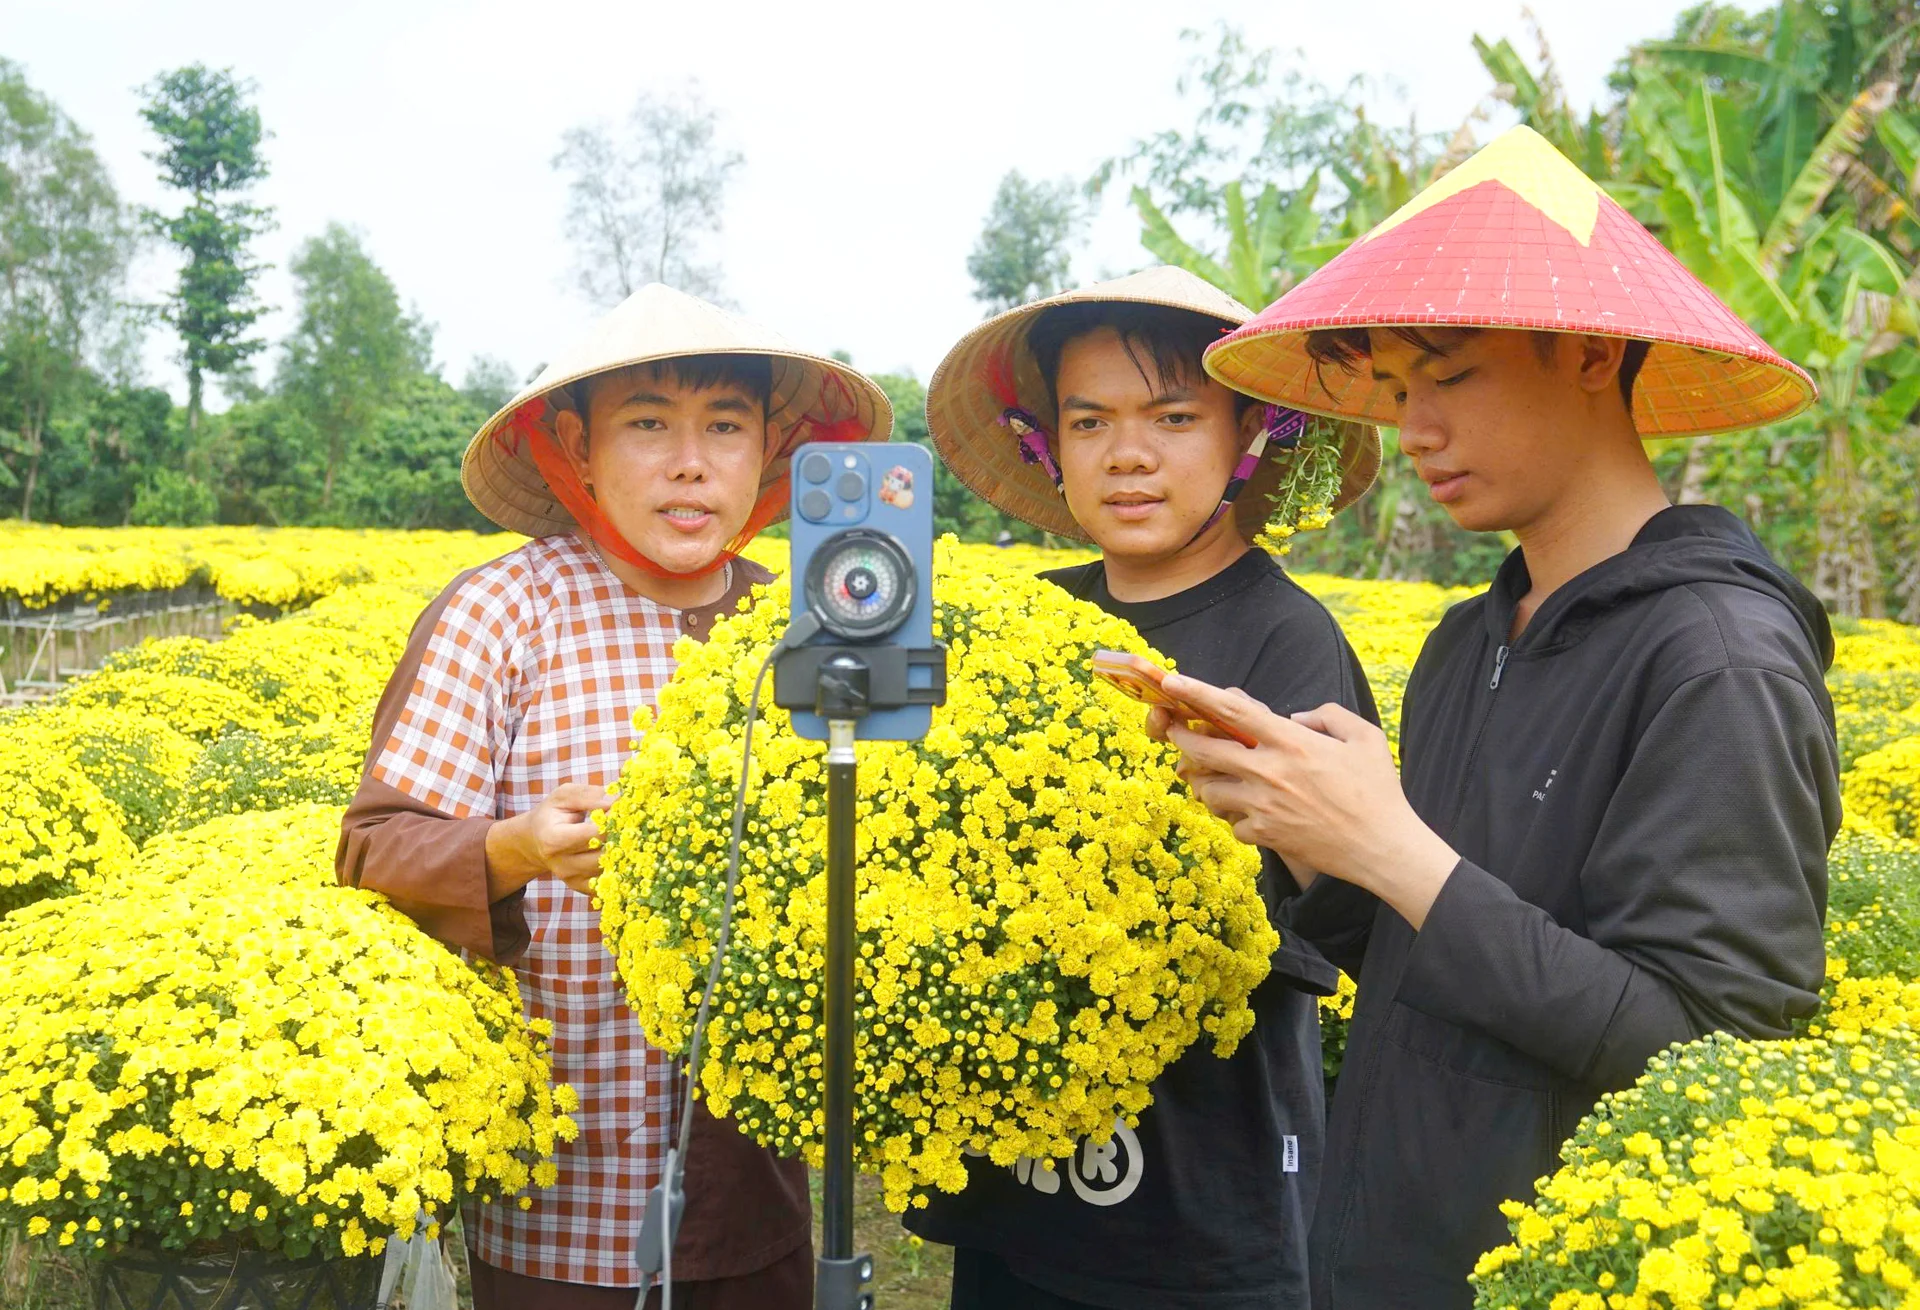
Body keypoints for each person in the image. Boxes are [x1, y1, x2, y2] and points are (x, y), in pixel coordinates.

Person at [1161, 125, 1841, 1308]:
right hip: (1380, 1244)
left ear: (1587, 353)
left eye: (1452, 375)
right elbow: (1425, 948)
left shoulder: (1719, 661)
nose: (1414, 429)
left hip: (1537, 1271)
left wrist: (1396, 848)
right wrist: (1307, 832)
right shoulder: (1471, 640)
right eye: (1397, 389)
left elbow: (1714, 1060)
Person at [334, 283, 892, 1310]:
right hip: (557, 1198)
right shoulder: (503, 611)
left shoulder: (813, 624)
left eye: (724, 425)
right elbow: (376, 844)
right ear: (576, 449)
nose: (691, 461)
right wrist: (515, 846)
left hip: (758, 1187)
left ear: (768, 453)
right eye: (648, 425)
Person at [913, 266, 1383, 1310]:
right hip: (1015, 1188)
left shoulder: (1285, 638)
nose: (1128, 452)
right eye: (1089, 420)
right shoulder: (1033, 621)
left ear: (1249, 437)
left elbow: (1332, 912)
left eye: (1173, 416)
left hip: (1202, 1200)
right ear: (1050, 446)